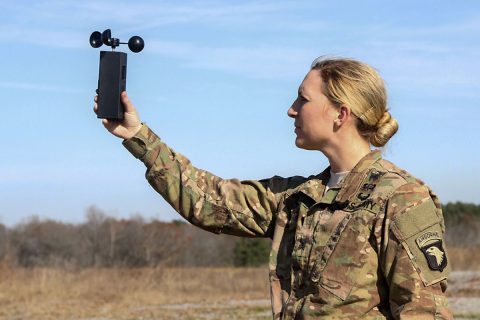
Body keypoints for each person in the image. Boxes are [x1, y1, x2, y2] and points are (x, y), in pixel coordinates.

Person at [94, 57, 453, 319]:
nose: (291, 110)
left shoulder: (401, 198)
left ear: (340, 114)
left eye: (303, 99)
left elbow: (424, 311)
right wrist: (139, 137)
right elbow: (208, 201)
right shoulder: (299, 199)